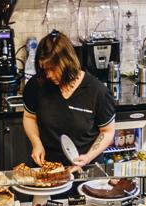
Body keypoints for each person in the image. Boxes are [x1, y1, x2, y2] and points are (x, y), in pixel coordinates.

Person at [22, 31, 116, 168]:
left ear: (67, 62)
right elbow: (29, 117)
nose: (48, 75)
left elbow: (107, 132)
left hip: (85, 170)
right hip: (48, 168)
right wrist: (36, 144)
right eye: (44, 69)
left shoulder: (97, 91)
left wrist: (87, 158)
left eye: (53, 69)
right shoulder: (37, 85)